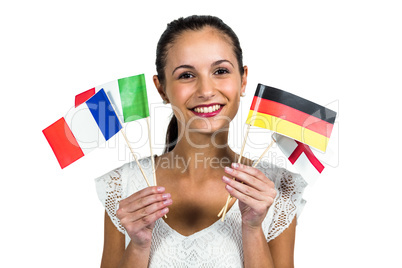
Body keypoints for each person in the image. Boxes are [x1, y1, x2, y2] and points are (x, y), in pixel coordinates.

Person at [95, 15, 306, 267]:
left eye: (220, 71)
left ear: (243, 79)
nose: (206, 90)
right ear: (161, 88)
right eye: (186, 75)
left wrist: (252, 228)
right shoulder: (124, 187)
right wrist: (138, 246)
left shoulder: (277, 190)